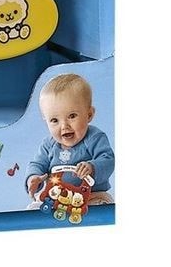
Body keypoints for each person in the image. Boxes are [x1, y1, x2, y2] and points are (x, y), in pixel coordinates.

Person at [26, 74, 113, 205]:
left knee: (101, 205)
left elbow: (108, 160)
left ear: (89, 115)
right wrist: (33, 178)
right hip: (56, 196)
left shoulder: (94, 137)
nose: (64, 126)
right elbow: (37, 164)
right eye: (54, 120)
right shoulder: (48, 145)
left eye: (72, 116)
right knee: (35, 207)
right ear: (46, 121)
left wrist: (92, 167)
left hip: (91, 195)